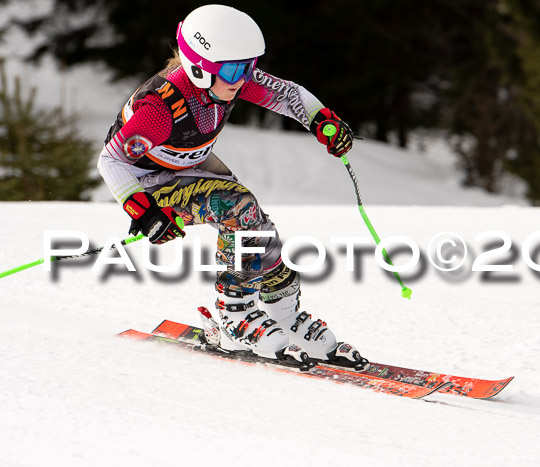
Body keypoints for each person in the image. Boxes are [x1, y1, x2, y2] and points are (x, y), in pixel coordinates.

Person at [97, 4, 365, 369]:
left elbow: (288, 94)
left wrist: (321, 121)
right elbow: (110, 160)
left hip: (187, 168)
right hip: (150, 185)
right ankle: (234, 317)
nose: (244, 78)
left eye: (250, 66)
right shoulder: (161, 108)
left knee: (256, 227)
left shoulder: (225, 80)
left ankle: (284, 315)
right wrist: (143, 210)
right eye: (236, 69)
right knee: (237, 207)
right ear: (198, 67)